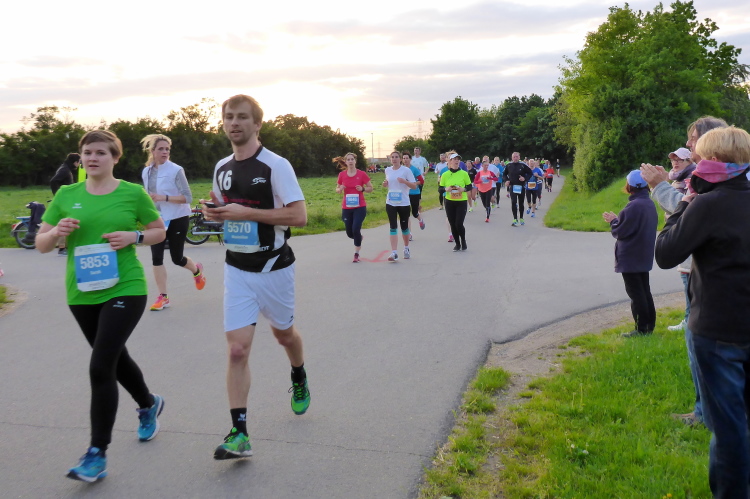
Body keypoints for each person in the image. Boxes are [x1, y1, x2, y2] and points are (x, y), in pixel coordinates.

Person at [35, 130, 167, 482]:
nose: (92, 158)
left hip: (126, 286)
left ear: (115, 158)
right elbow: (41, 243)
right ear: (80, 158)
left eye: (100, 153)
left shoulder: (132, 193)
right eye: (87, 152)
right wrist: (56, 233)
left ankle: (97, 454)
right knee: (115, 358)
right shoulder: (67, 194)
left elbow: (159, 231)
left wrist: (134, 236)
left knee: (100, 365)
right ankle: (148, 403)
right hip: (82, 291)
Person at [202, 94, 309, 460]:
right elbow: (227, 211)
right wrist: (216, 214)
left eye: (242, 117)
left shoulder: (276, 165)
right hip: (237, 269)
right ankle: (239, 433)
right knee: (237, 350)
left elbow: (298, 216)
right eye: (229, 117)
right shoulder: (221, 167)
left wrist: (245, 214)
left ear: (257, 124)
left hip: (275, 268)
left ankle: (298, 373)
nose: (234, 123)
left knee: (284, 335)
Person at [654, 126, 750, 498]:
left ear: (713, 160)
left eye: (700, 157)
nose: (696, 162)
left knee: (728, 427)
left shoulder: (708, 204)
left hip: (717, 329)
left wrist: (683, 204)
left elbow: (665, 254)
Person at [642, 116, 728, 427]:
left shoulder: (714, 180)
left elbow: (687, 214)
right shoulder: (716, 176)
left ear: (710, 142)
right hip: (702, 270)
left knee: (701, 341)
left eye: (693, 138)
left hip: (706, 274)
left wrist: (659, 187)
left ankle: (707, 414)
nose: (688, 145)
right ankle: (708, 411)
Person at [140, 134, 206, 311]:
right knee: (156, 257)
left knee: (177, 258)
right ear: (152, 151)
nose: (165, 152)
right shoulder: (146, 172)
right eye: (161, 149)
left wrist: (164, 197)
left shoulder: (176, 170)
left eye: (167, 149)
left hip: (177, 217)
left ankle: (196, 270)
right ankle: (163, 297)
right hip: (157, 219)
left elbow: (188, 197)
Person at [602, 170, 657, 337]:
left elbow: (620, 232)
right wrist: (617, 220)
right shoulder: (648, 203)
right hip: (643, 255)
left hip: (631, 256)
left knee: (636, 294)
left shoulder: (633, 206)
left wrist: (614, 221)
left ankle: (641, 329)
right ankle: (649, 326)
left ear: (630, 186)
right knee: (644, 291)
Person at [335, 152, 373, 262]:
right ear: (346, 162)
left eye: (352, 159)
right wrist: (340, 189)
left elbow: (370, 188)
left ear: (355, 161)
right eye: (348, 159)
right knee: (349, 232)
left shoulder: (361, 174)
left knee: (356, 229)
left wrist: (363, 189)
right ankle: (358, 237)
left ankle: (356, 254)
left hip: (359, 206)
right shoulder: (342, 175)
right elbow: (337, 189)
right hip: (347, 207)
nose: (350, 161)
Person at [382, 151, 416, 261]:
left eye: (396, 157)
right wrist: (385, 184)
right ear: (390, 159)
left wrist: (405, 182)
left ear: (400, 159)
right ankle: (394, 252)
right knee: (393, 226)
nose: (394, 159)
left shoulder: (406, 170)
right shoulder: (387, 170)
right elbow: (388, 183)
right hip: (391, 202)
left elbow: (414, 186)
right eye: (392, 157)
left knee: (404, 227)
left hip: (404, 203)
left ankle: (406, 248)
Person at [50, 153, 82, 256]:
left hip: (68, 200)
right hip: (64, 201)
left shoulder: (66, 168)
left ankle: (66, 246)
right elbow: (53, 181)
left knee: (68, 221)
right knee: (64, 222)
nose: (79, 164)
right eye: (79, 162)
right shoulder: (64, 170)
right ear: (75, 162)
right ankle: (62, 248)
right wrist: (58, 196)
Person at [440, 152, 471, 251]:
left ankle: (463, 241)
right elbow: (440, 189)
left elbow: (469, 186)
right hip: (449, 201)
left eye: (458, 159)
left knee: (459, 223)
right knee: (452, 224)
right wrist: (446, 189)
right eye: (454, 159)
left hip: (461, 201)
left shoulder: (464, 173)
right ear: (450, 161)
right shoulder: (445, 175)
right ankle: (457, 244)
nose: (457, 161)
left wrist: (463, 189)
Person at [504, 152, 532, 226]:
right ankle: (515, 219)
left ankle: (521, 218)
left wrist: (525, 178)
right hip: (512, 186)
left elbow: (530, 173)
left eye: (517, 157)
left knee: (521, 203)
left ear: (519, 157)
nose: (515, 158)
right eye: (514, 157)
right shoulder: (509, 165)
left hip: (521, 186)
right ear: (512, 158)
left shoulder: (523, 165)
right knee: (513, 202)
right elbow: (504, 174)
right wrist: (506, 180)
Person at [402, 151, 425, 239]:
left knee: (415, 213)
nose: (405, 160)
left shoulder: (414, 169)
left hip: (414, 193)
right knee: (406, 214)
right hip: (405, 194)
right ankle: (409, 233)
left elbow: (421, 181)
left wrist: (414, 183)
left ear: (410, 159)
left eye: (407, 158)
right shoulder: (401, 169)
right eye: (404, 158)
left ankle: (420, 219)